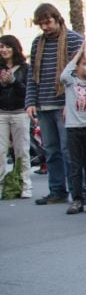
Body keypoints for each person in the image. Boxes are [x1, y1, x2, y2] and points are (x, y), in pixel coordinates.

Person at [26, 3, 83, 205]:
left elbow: (79, 74)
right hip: (43, 104)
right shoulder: (37, 43)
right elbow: (33, 75)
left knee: (69, 150)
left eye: (48, 22)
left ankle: (78, 193)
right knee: (51, 151)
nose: (45, 27)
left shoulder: (75, 39)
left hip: (65, 104)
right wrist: (30, 101)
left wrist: (71, 102)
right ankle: (57, 191)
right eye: (41, 24)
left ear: (58, 19)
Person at [60, 41, 86, 214]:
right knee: (75, 167)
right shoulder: (70, 82)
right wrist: (78, 55)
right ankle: (77, 198)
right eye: (83, 64)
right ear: (76, 67)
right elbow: (63, 75)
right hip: (73, 128)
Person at [0, 35, 32, 198]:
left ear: (15, 48)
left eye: (7, 46)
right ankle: (1, 187)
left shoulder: (25, 68)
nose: (4, 50)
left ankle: (25, 185)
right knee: (0, 151)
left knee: (22, 151)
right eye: (1, 46)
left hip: (20, 112)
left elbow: (27, 91)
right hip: (1, 113)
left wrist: (13, 81)